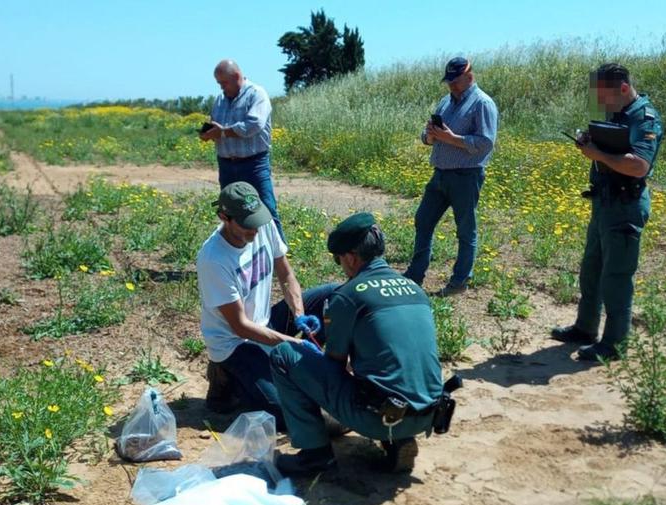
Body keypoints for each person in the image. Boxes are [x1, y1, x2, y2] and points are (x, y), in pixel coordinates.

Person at [270, 213, 446, 476]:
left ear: (351, 257)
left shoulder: (347, 296)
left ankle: (314, 455)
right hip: (429, 412)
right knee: (392, 372)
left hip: (378, 416)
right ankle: (398, 440)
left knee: (284, 355)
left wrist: (309, 350)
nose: (341, 266)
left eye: (339, 259)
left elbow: (334, 365)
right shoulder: (415, 289)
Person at [551, 63, 664, 362]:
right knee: (592, 270)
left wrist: (598, 154)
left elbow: (639, 165)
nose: (600, 103)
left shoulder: (644, 117)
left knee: (616, 277)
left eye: (604, 96)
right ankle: (585, 328)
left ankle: (615, 344)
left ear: (623, 89)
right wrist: (590, 144)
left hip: (625, 205)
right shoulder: (617, 113)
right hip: (604, 203)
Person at [197, 182, 320, 427]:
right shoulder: (214, 259)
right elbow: (241, 326)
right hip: (236, 342)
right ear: (224, 217)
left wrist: (299, 316)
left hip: (264, 321)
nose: (254, 230)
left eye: (257, 221)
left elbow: (285, 274)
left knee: (333, 296)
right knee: (286, 414)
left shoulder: (262, 224)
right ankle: (226, 375)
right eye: (246, 224)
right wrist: (297, 343)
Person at [403, 57, 499, 297]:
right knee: (423, 221)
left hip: (466, 176)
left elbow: (485, 142)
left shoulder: (482, 104)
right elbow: (426, 136)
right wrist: (431, 136)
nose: (452, 86)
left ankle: (459, 281)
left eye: (456, 81)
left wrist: (451, 139)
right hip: (440, 175)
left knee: (465, 229)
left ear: (470, 76)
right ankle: (415, 275)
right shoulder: (446, 102)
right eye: (449, 82)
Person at [199, 59, 284, 238]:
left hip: (253, 164)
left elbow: (253, 125)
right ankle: (239, 257)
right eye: (219, 83)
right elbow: (217, 125)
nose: (222, 87)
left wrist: (222, 133)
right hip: (227, 165)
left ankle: (279, 260)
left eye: (224, 83)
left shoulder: (256, 94)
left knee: (266, 209)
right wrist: (209, 133)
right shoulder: (220, 100)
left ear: (236, 76)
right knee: (231, 212)